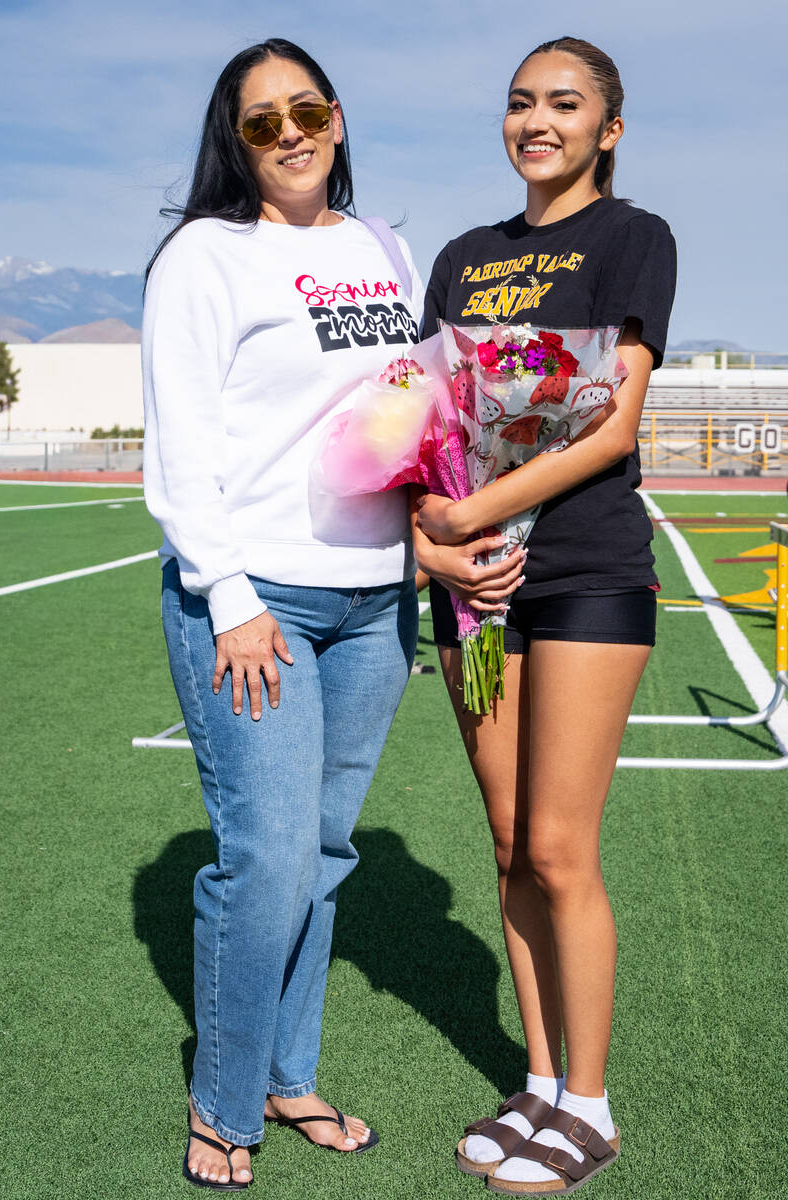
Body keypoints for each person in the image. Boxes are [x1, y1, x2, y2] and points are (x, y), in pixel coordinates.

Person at [141, 38, 499, 1191]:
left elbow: (399, 415)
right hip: (256, 603)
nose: (288, 132)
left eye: (305, 110)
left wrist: (436, 535)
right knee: (265, 859)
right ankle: (222, 1101)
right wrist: (232, 599)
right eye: (260, 122)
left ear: (335, 119)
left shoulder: (378, 246)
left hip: (370, 604)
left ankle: (288, 1076)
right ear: (233, 142)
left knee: (326, 855)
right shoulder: (206, 255)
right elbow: (182, 448)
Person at [413, 36, 677, 1196]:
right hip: (471, 592)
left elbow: (608, 427)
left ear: (605, 129)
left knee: (564, 848)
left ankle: (590, 1103)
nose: (537, 120)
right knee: (511, 839)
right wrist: (440, 534)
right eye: (521, 102)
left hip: (580, 578)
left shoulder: (631, 239)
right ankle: (534, 1079)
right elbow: (414, 418)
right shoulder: (462, 258)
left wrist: (470, 510)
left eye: (564, 104)